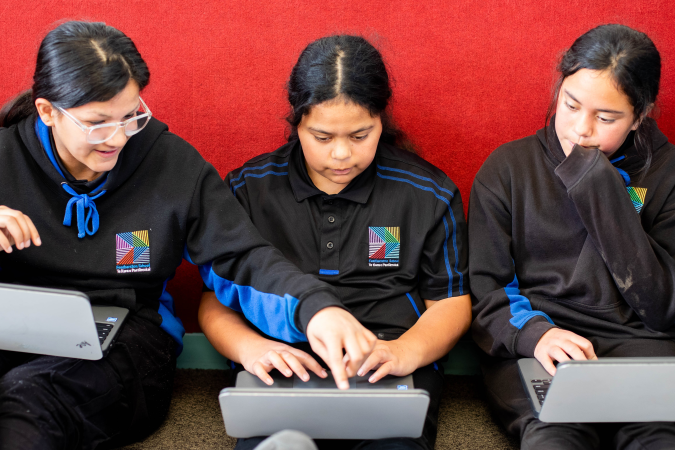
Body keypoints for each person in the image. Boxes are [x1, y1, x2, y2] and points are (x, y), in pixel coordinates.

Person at [0, 21, 376, 450]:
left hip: (125, 339)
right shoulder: (5, 155)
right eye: (97, 123)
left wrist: (315, 309)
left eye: (131, 116)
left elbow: (242, 257)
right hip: (12, 324)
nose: (118, 137)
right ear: (48, 111)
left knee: (30, 399)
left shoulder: (171, 163)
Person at [199, 35, 472, 450]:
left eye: (360, 135)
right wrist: (251, 348)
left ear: (381, 120)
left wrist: (405, 352)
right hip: (286, 357)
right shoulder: (248, 188)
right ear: (297, 124)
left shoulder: (429, 192)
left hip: (387, 359)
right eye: (322, 137)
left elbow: (450, 303)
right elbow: (216, 299)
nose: (342, 155)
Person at [469, 24, 675, 449]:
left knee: (657, 437)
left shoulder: (666, 174)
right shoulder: (507, 169)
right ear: (559, 88)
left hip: (643, 345)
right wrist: (535, 334)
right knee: (554, 438)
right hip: (542, 345)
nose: (581, 130)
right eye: (571, 104)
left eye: (606, 118)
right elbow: (487, 291)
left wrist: (599, 188)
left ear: (640, 115)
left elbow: (662, 305)